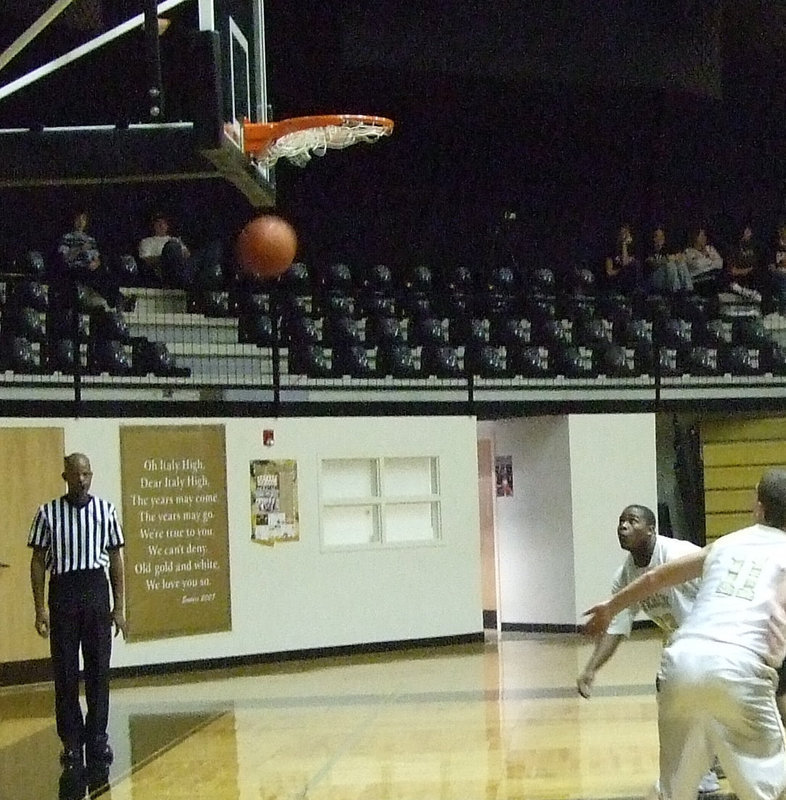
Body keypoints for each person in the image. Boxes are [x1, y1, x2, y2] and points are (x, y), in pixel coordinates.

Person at [583, 469, 786, 800]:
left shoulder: (726, 543)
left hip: (681, 662)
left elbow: (655, 578)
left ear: (758, 507)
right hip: (742, 666)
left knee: (674, 792)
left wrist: (611, 606)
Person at [577, 504, 720, 795]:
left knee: (689, 700)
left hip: (715, 638)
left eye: (632, 521)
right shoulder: (626, 575)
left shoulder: (677, 554)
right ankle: (707, 763)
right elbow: (616, 626)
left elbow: (721, 579)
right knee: (679, 701)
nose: (623, 527)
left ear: (651, 529)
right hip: (682, 646)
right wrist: (591, 668)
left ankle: (702, 772)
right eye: (621, 521)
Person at [29, 453, 127, 769]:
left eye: (86, 474)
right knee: (65, 672)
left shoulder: (105, 511)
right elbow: (37, 562)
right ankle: (71, 741)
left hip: (96, 590)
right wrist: (39, 608)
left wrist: (119, 607)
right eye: (76, 475)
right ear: (65, 477)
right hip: (64, 593)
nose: (81, 480)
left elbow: (116, 560)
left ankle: (97, 737)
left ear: (91, 476)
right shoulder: (47, 513)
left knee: (98, 670)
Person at [56, 210, 135, 312]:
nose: (80, 222)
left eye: (83, 219)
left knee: (106, 275)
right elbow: (65, 258)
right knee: (96, 278)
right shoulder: (67, 238)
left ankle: (119, 300)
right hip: (75, 269)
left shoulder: (90, 240)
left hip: (90, 269)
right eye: (78, 219)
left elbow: (96, 258)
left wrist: (96, 263)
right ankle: (119, 300)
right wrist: (80, 249)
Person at [137, 211, 222, 289]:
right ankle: (181, 280)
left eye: (164, 223)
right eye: (158, 222)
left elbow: (187, 254)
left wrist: (180, 255)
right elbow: (145, 260)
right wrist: (166, 257)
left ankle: (207, 281)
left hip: (184, 269)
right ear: (153, 226)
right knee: (172, 247)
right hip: (166, 272)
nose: (161, 225)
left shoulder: (175, 239)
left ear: (167, 226)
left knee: (214, 247)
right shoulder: (147, 241)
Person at [643, 226, 693, 296]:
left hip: (665, 278)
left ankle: (689, 289)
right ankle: (675, 292)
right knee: (670, 265)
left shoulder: (666, 249)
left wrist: (677, 258)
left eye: (662, 236)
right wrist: (667, 260)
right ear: (653, 238)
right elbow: (652, 264)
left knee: (681, 264)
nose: (660, 239)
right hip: (652, 279)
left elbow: (679, 257)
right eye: (657, 236)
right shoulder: (648, 250)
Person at [682, 226, 724, 297]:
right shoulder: (688, 252)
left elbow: (720, 264)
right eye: (701, 236)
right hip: (699, 280)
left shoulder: (710, 249)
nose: (704, 238)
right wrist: (710, 260)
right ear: (695, 238)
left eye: (704, 235)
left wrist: (706, 259)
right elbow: (698, 265)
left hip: (713, 276)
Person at [603, 223, 642, 295]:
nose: (623, 236)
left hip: (630, 283)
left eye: (626, 234)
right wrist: (621, 271)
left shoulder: (633, 251)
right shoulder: (612, 252)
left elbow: (625, 262)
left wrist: (624, 245)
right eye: (622, 233)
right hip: (617, 282)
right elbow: (609, 272)